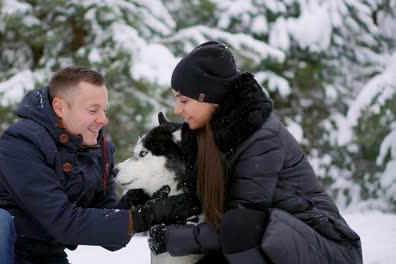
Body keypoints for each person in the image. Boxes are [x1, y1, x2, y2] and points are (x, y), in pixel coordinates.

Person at [0, 65, 201, 264]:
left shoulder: (99, 151)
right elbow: (63, 221)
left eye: (104, 109)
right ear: (60, 107)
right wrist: (147, 215)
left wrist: (142, 198)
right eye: (93, 110)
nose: (103, 119)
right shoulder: (21, 142)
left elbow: (113, 234)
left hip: (43, 255)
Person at [148, 41, 363, 263]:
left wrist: (172, 238)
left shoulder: (260, 137)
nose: (177, 109)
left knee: (239, 224)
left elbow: (242, 220)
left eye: (184, 100)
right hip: (271, 241)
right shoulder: (208, 133)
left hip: (324, 248)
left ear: (209, 97)